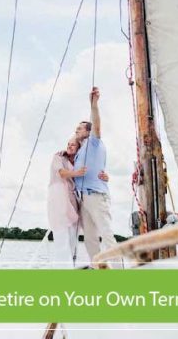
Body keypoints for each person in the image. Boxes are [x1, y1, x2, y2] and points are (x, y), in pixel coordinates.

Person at [47, 136, 108, 266]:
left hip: (74, 205)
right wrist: (77, 173)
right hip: (60, 203)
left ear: (79, 149)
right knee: (62, 242)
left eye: (73, 145)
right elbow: (62, 173)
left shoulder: (79, 163)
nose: (69, 146)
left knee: (72, 243)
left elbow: (92, 178)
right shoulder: (58, 157)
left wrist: (105, 177)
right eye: (68, 144)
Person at [73, 87, 117, 263]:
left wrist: (94, 105)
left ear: (88, 131)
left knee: (106, 235)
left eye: (80, 128)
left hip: (96, 196)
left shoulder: (94, 142)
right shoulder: (80, 149)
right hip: (83, 199)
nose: (76, 130)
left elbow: (97, 125)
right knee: (90, 239)